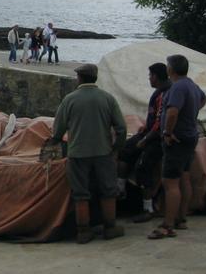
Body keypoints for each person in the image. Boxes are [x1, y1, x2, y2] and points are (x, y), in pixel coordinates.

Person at [51, 63, 127, 243]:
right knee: (108, 191)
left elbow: (58, 129)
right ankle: (110, 228)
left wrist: (56, 140)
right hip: (103, 152)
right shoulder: (108, 99)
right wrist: (116, 148)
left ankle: (83, 232)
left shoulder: (69, 99)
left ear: (79, 78)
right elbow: (122, 128)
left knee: (80, 194)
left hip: (77, 153)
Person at [148, 54, 206, 240]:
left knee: (170, 182)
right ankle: (181, 219)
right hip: (190, 136)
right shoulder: (191, 84)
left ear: (170, 69)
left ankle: (168, 225)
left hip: (177, 139)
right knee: (184, 177)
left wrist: (167, 132)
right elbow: (203, 100)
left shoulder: (177, 87)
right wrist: (192, 113)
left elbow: (172, 112)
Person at [117, 63, 170, 223]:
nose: (149, 78)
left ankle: (148, 208)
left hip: (157, 138)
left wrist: (146, 139)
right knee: (125, 150)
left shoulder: (165, 94)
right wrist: (145, 128)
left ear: (156, 76)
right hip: (149, 132)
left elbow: (160, 122)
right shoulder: (158, 93)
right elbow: (154, 118)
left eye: (150, 75)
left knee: (143, 166)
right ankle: (120, 188)